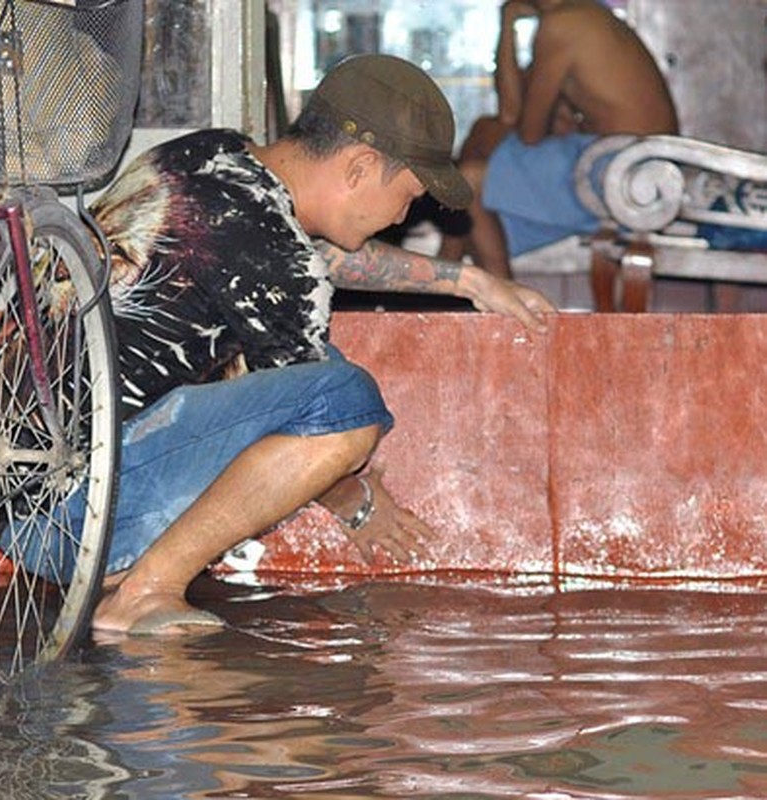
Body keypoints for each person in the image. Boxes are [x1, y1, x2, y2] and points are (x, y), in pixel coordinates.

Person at [84, 53, 555, 635]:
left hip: (22, 490)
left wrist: (468, 281)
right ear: (359, 166)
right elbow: (310, 417)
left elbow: (316, 257)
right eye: (407, 197)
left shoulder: (210, 156)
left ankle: (119, 577)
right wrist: (355, 497)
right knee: (344, 401)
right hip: (82, 515)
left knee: (295, 372)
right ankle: (142, 593)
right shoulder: (275, 257)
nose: (403, 215)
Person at [439, 0, 679, 279]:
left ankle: (495, 304)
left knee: (469, 181)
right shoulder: (577, 16)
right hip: (621, 165)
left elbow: (526, 131)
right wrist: (507, 24)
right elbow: (511, 112)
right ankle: (458, 270)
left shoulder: (563, 25)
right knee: (484, 137)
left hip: (627, 171)